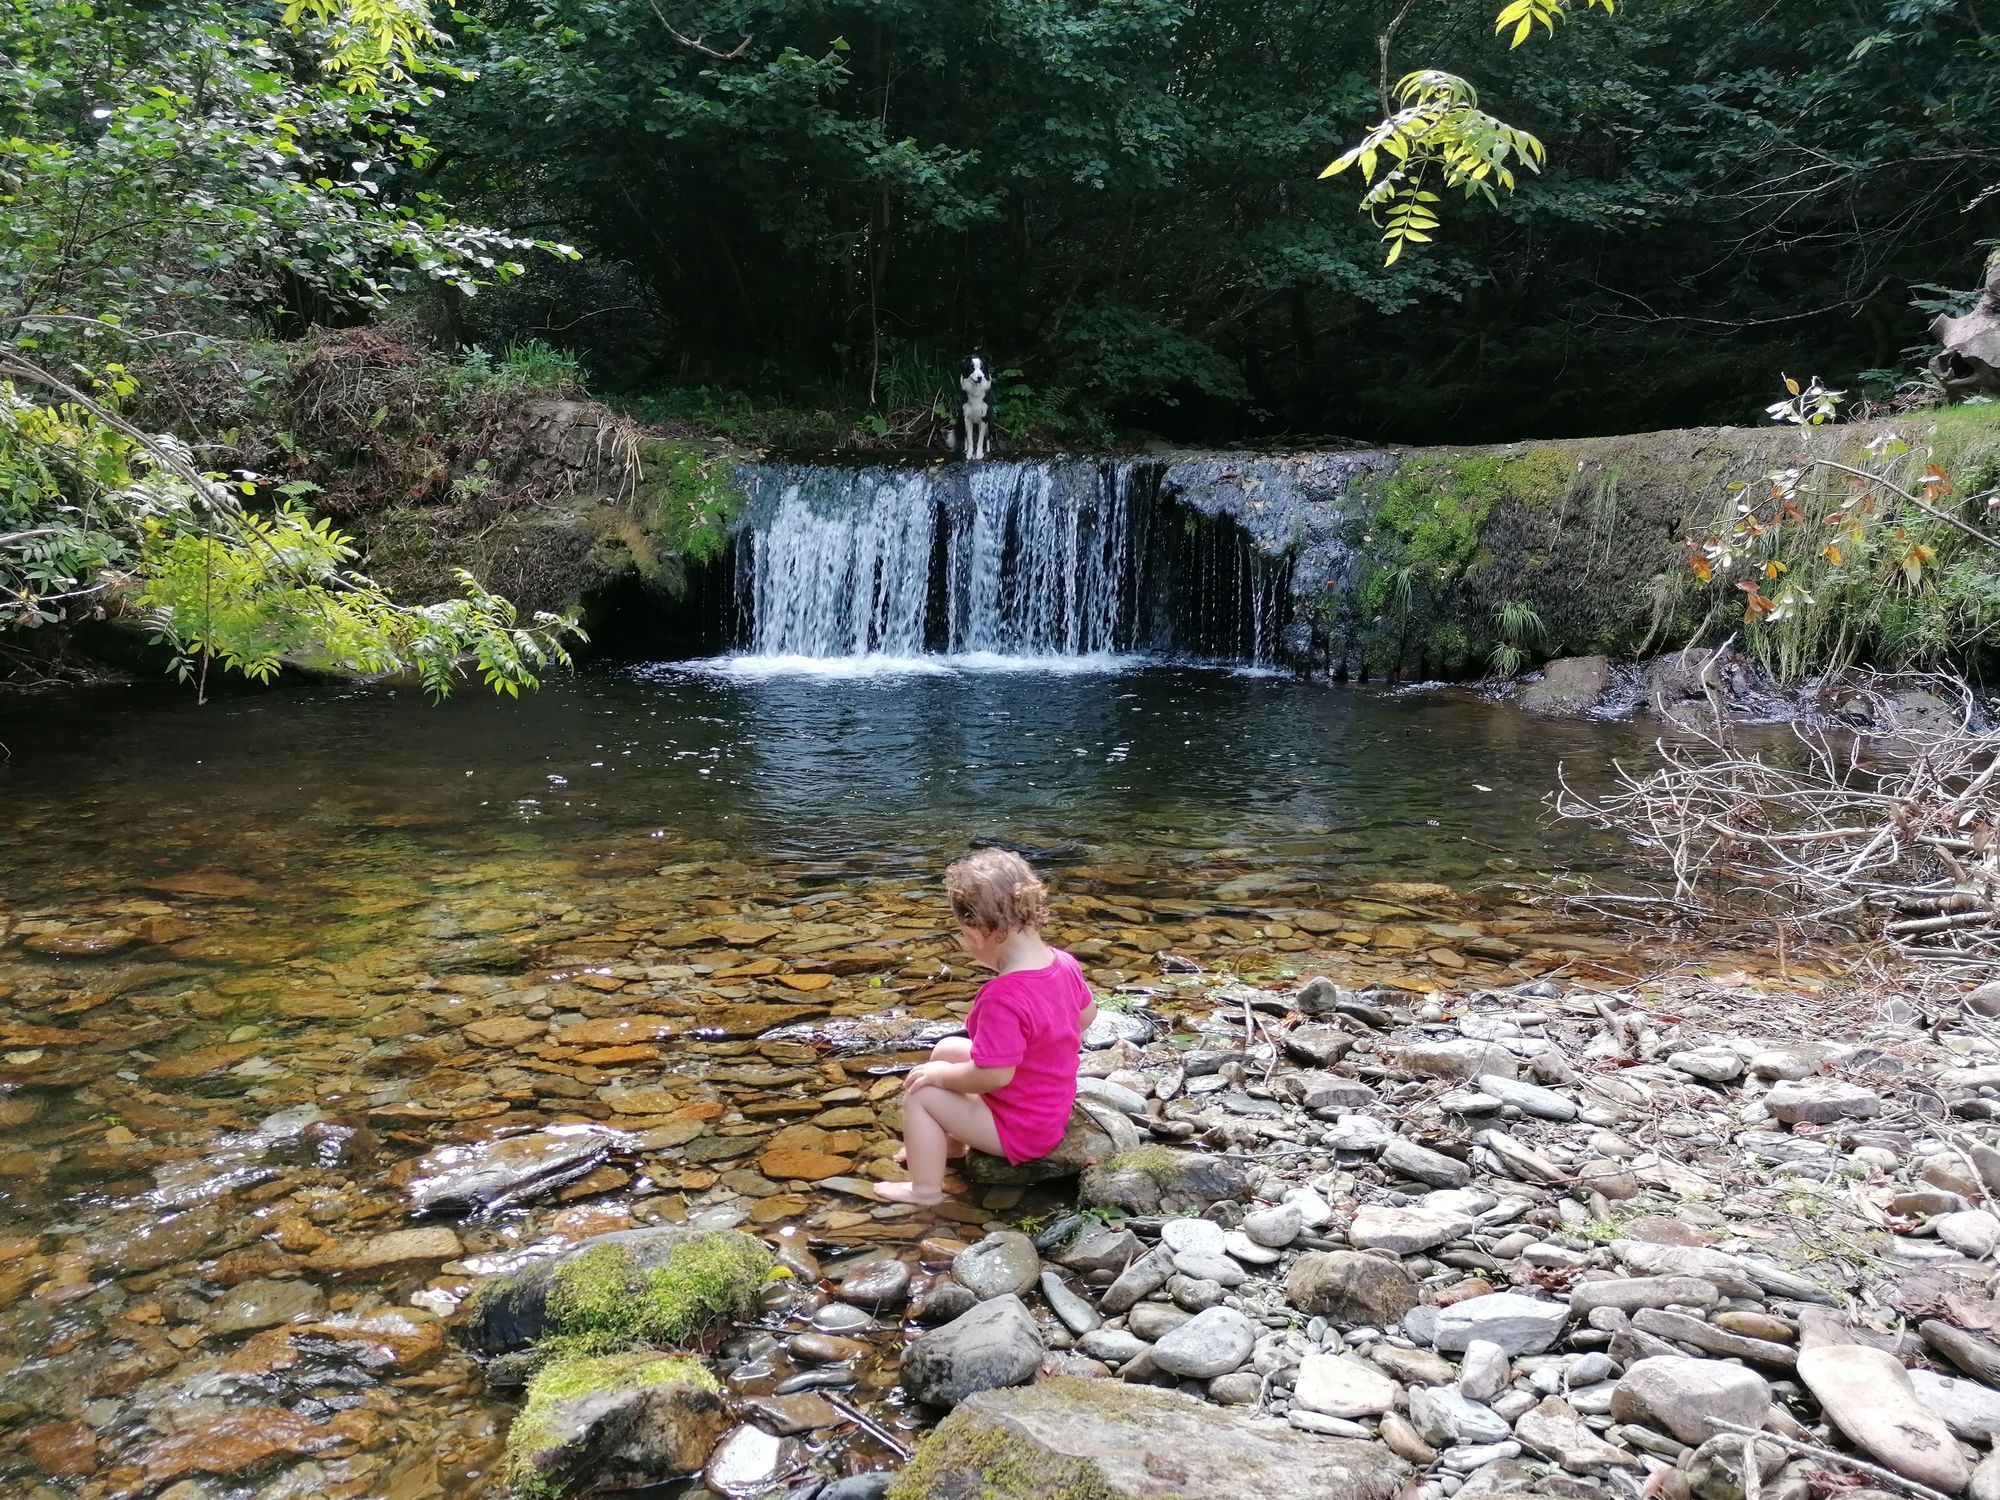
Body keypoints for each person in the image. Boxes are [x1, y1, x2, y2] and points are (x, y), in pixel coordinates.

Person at [878, 848, 1096, 1206]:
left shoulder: (1002, 997)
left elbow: (994, 1077)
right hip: (1045, 1105)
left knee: (921, 1090)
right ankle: (947, 1145)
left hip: (1021, 1130)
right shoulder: (1064, 964)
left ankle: (925, 1190)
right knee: (948, 1049)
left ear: (977, 931)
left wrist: (941, 1079)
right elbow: (1086, 1017)